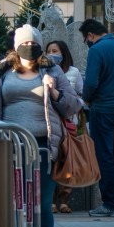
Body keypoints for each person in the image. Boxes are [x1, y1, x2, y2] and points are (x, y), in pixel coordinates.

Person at [0, 25, 80, 227]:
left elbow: (73, 105)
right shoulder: (0, 71)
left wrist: (55, 94)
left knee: (43, 203)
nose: (29, 47)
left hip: (43, 148)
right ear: (16, 46)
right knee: (12, 202)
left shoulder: (52, 71)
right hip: (8, 146)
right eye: (24, 44)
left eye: (33, 43)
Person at [79, 18, 114, 219]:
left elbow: (91, 81)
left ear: (90, 35)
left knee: (105, 156)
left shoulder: (96, 50)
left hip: (104, 109)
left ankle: (111, 203)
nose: (87, 42)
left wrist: (85, 99)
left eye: (86, 38)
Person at [45, 39, 82, 215]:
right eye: (49, 50)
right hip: (51, 124)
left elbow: (79, 96)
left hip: (68, 123)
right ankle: (51, 200)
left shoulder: (74, 72)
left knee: (67, 162)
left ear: (64, 53)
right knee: (52, 163)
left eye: (56, 50)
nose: (52, 54)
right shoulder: (44, 71)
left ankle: (65, 199)